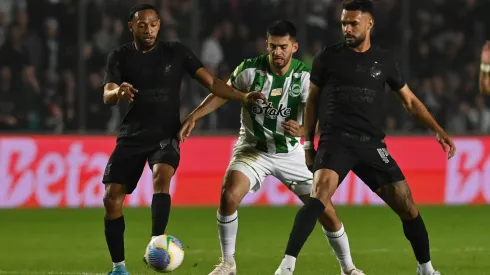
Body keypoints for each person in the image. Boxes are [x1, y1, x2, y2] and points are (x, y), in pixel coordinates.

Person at [275, 1, 456, 275]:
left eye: (353, 23)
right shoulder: (328, 57)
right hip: (336, 141)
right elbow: (312, 101)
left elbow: (410, 102)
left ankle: (426, 269)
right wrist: (309, 143)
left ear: (369, 24)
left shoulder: (384, 61)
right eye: (343, 23)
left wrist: (437, 129)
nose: (347, 28)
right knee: (318, 197)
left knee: (407, 206)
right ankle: (286, 267)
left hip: (372, 144)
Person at [179, 20, 364, 275]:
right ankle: (227, 264)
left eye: (283, 47)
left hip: (290, 152)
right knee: (229, 194)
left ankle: (348, 268)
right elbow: (222, 92)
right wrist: (194, 116)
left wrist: (305, 130)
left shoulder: (304, 77)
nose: (278, 52)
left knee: (325, 210)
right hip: (253, 149)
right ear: (267, 45)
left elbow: (320, 111)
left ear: (294, 47)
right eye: (273, 46)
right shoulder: (249, 71)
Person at [101, 4, 265, 275]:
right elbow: (107, 94)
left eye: (153, 24)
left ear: (159, 26)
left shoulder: (176, 52)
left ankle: (156, 241)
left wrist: (242, 97)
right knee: (111, 199)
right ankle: (119, 268)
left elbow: (212, 84)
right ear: (132, 27)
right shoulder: (119, 57)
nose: (149, 29)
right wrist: (118, 91)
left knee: (161, 177)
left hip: (166, 133)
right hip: (132, 136)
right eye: (142, 24)